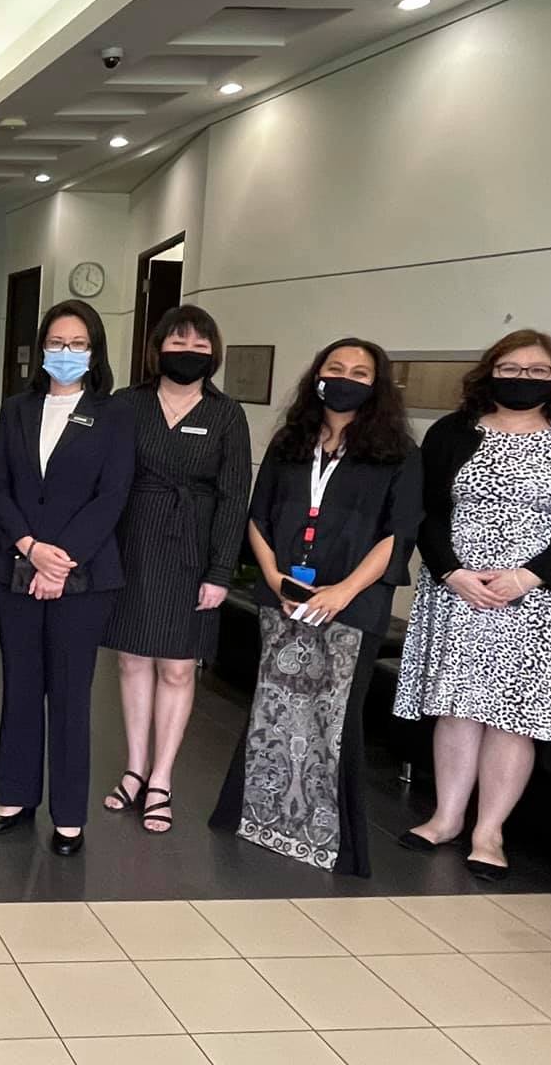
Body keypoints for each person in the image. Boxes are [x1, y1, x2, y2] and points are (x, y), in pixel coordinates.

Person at [395, 329, 551, 880]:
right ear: (489, 371)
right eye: (511, 369)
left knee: (514, 718)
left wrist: (528, 577)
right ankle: (446, 817)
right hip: (460, 590)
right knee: (457, 709)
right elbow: (424, 510)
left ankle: (489, 832)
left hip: (541, 598)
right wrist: (452, 572)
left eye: (537, 371)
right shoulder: (452, 431)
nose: (523, 379)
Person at [209, 338, 420, 876]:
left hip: (353, 605)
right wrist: (273, 576)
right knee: (274, 709)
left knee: (334, 718)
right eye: (335, 368)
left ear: (377, 385)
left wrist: (343, 591)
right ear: (317, 376)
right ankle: (260, 817)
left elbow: (398, 535)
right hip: (283, 596)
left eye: (360, 372)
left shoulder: (397, 453)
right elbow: (257, 517)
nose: (346, 378)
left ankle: (329, 840)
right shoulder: (291, 442)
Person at [0, 300, 136, 855]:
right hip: (15, 568)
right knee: (21, 686)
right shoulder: (17, 409)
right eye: (56, 342)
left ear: (94, 352)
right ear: (41, 348)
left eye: (77, 344)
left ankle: (68, 814)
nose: (65, 352)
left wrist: (60, 559)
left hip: (83, 576)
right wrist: (29, 548)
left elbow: (112, 495)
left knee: (70, 694)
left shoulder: (114, 415)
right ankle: (15, 796)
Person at [100, 306, 251, 834]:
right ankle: (134, 768)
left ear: (214, 354)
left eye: (200, 345)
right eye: (178, 342)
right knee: (132, 661)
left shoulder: (227, 413)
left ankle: (161, 778)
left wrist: (221, 570)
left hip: (193, 552)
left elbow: (234, 498)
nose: (188, 352)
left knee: (179, 668)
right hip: (130, 544)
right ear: (158, 347)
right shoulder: (126, 404)